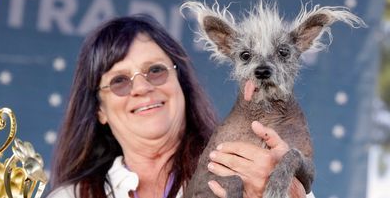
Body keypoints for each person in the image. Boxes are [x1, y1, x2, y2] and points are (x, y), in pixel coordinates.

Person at [47, 14, 313, 198]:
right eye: (119, 81)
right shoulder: (70, 195)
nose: (141, 88)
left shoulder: (246, 167)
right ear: (100, 110)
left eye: (155, 71)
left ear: (181, 84)